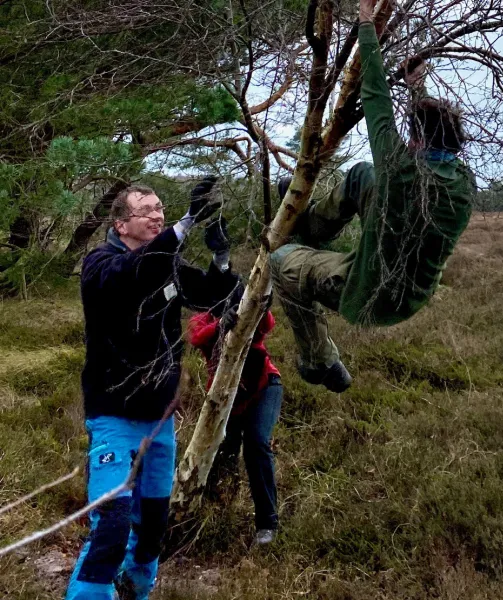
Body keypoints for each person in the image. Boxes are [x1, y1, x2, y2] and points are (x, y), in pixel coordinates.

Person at [271, 0, 476, 393]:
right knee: (364, 175)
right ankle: (313, 226)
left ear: (415, 141)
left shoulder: (401, 170)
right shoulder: (462, 181)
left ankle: (319, 360)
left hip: (375, 291)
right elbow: (429, 135)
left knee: (283, 262)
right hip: (408, 273)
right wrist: (419, 87)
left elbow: (376, 95)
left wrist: (366, 24)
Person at [66, 179, 241, 600]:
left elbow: (215, 295)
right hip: (113, 416)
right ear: (121, 224)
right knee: (112, 521)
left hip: (159, 419)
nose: (157, 216)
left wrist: (220, 255)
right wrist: (183, 225)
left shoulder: (167, 265)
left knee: (152, 527)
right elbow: (134, 274)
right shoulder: (101, 264)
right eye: (147, 211)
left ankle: (134, 590)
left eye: (161, 209)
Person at [188, 220, 282, 545]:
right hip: (228, 396)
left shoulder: (241, 301)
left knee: (256, 444)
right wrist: (221, 326)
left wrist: (245, 312)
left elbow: (265, 324)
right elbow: (199, 336)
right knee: (221, 452)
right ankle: (212, 509)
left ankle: (267, 524)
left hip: (263, 385)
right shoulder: (203, 312)